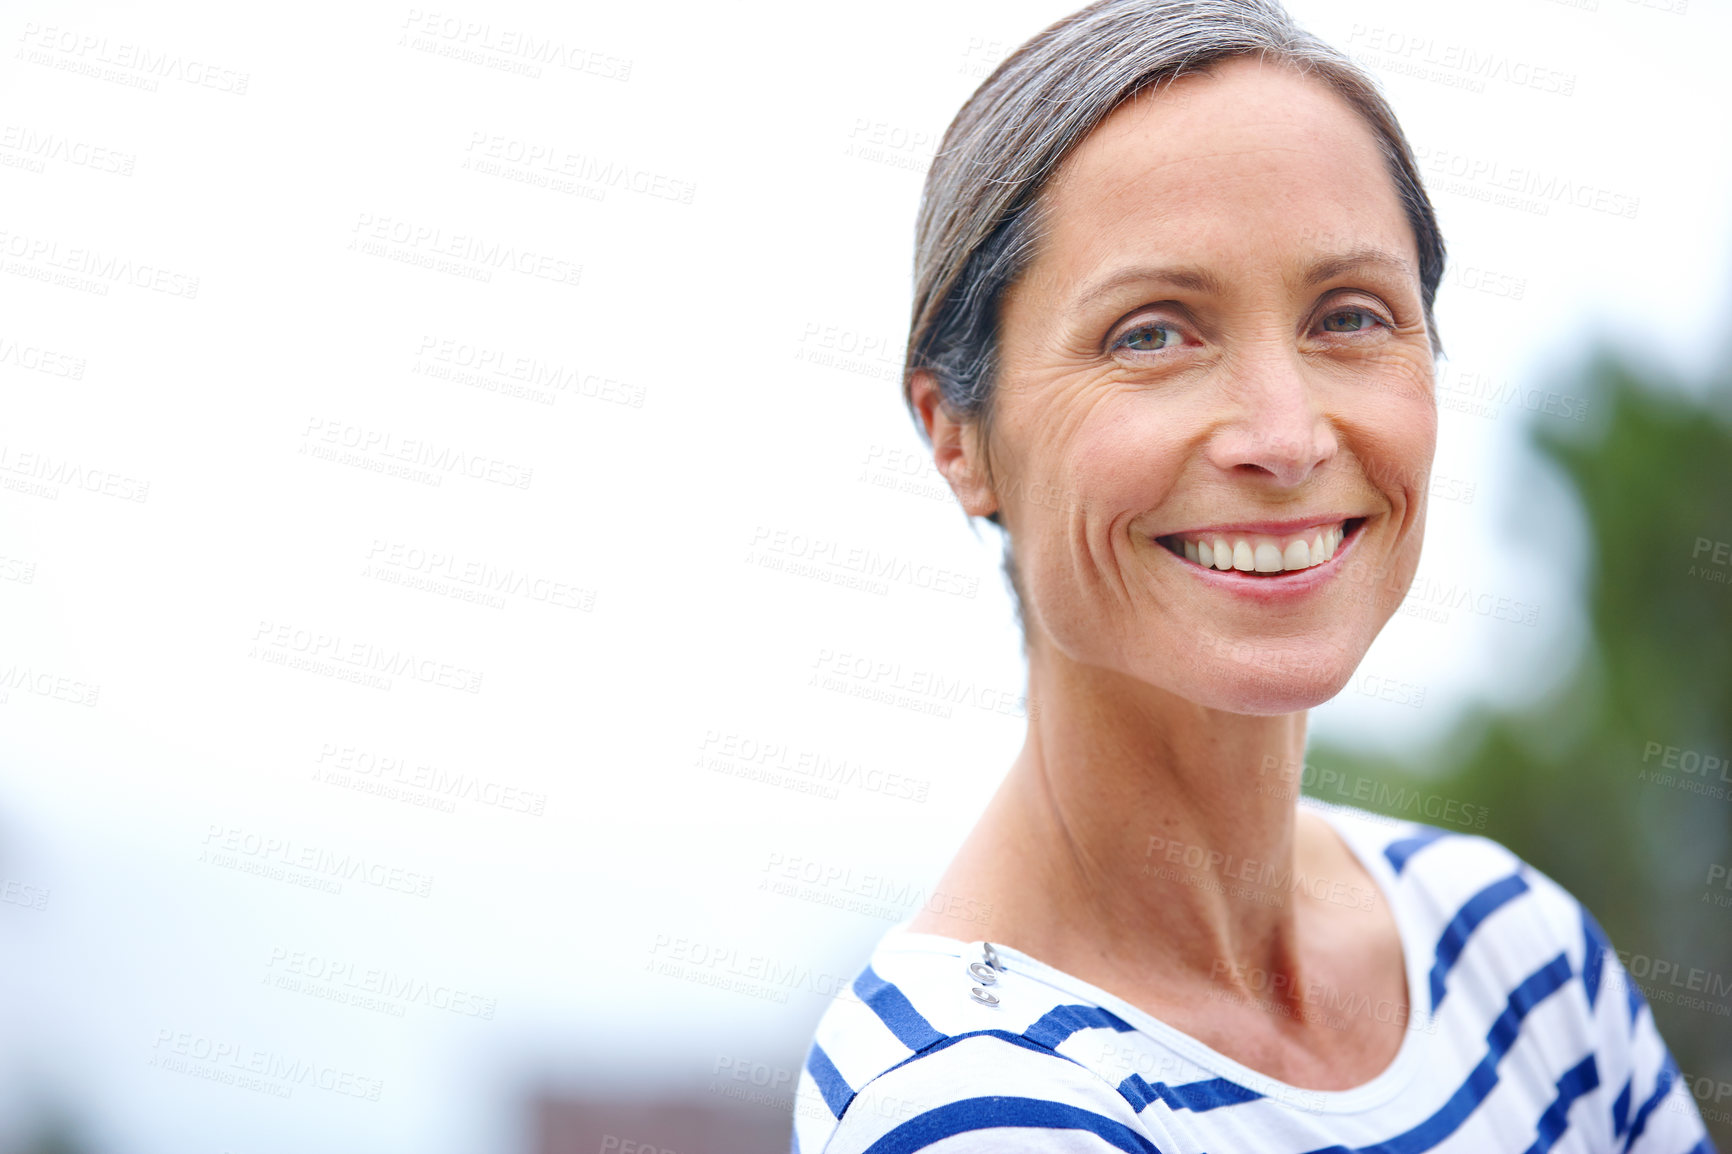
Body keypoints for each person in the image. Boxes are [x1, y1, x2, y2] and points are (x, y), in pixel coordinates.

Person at [790, 1, 1716, 1151]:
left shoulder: (1515, 953)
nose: (1283, 435)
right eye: (1150, 333)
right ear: (956, 436)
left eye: (1347, 315)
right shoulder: (975, 1100)